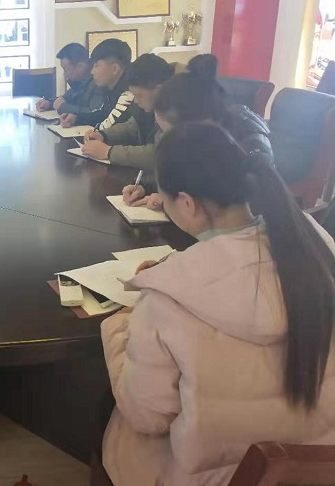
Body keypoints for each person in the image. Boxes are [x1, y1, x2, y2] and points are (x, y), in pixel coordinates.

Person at [100, 122, 335, 486]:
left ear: (187, 203)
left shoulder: (164, 299)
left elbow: (147, 416)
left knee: (122, 430)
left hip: (217, 477)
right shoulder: (312, 242)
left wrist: (120, 328)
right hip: (314, 469)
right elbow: (253, 275)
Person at [122, 54, 272, 210]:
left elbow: (245, 202)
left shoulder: (247, 141)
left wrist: (171, 201)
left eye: (171, 136)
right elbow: (182, 171)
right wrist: (146, 186)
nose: (170, 145)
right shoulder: (202, 135)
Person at [80, 54, 174, 167]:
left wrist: (108, 152)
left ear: (159, 90)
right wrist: (103, 135)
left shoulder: (176, 113)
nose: (136, 101)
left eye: (139, 95)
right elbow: (133, 127)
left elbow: (160, 153)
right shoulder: (151, 107)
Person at [61, 39, 141, 131]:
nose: (92, 71)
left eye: (96, 65)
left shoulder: (128, 92)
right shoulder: (111, 89)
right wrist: (76, 118)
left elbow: (108, 126)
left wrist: (94, 133)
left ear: (114, 69)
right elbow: (103, 114)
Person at [34, 42, 104, 117]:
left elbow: (95, 114)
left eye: (66, 69)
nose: (65, 74)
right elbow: (66, 98)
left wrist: (63, 108)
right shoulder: (79, 81)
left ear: (80, 66)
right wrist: (50, 103)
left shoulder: (99, 83)